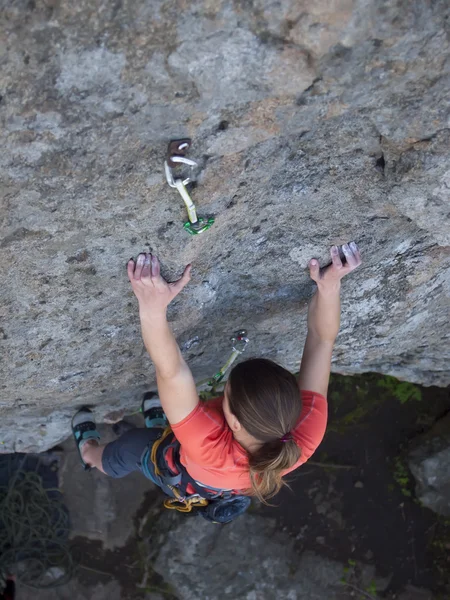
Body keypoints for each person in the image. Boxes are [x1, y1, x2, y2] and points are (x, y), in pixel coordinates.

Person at [72, 243, 361, 514]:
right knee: (172, 425)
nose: (222, 395)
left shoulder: (208, 442)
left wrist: (152, 307)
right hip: (223, 482)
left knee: (130, 449)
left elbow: (171, 371)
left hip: (187, 468)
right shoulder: (304, 434)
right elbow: (322, 340)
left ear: (234, 422)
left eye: (226, 394)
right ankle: (162, 423)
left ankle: (89, 454)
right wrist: (329, 285)